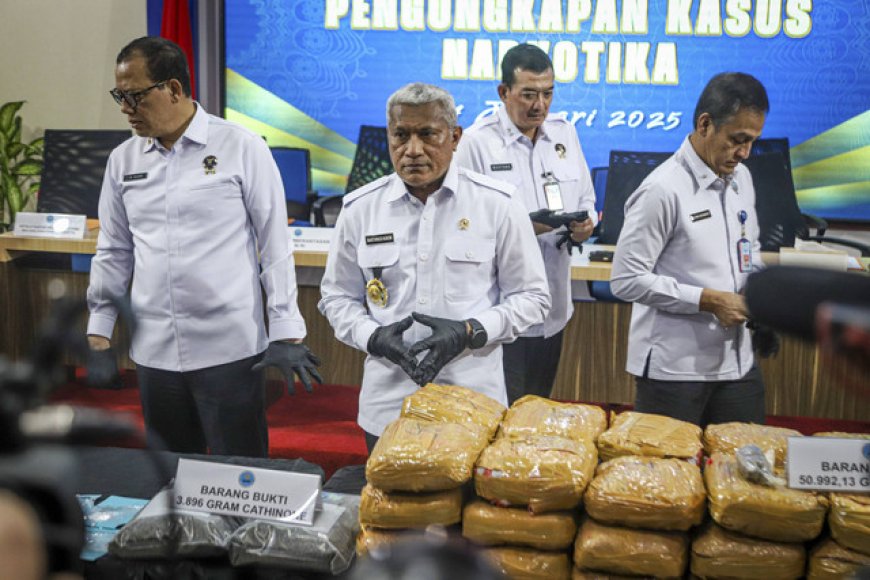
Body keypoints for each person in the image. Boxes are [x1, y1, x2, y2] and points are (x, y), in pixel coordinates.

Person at [85, 37, 321, 457]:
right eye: (120, 96)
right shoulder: (123, 160)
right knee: (171, 475)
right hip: (154, 350)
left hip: (229, 350)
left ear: (174, 89)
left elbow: (274, 244)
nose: (125, 109)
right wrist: (99, 332)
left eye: (135, 96)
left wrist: (286, 331)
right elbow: (114, 249)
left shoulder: (241, 146)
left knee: (240, 475)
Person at [318, 82, 550, 452]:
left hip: (473, 404)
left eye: (427, 134)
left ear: (455, 137)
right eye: (401, 135)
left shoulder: (498, 204)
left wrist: (471, 330)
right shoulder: (360, 209)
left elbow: (533, 298)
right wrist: (371, 336)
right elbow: (337, 297)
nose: (412, 150)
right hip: (388, 406)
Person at [610, 72, 769, 427]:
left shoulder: (742, 178)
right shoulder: (662, 190)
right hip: (674, 370)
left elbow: (750, 248)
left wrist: (758, 294)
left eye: (753, 142)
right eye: (738, 140)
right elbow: (625, 279)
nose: (745, 153)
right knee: (668, 463)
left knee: (745, 459)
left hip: (738, 364)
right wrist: (708, 300)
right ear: (705, 124)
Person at [454, 44, 597, 405]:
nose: (540, 105)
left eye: (548, 94)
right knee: (499, 415)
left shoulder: (565, 134)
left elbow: (586, 200)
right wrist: (525, 227)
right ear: (504, 92)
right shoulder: (476, 143)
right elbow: (460, 228)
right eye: (529, 94)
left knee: (533, 412)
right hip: (501, 313)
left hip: (553, 307)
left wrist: (586, 225)